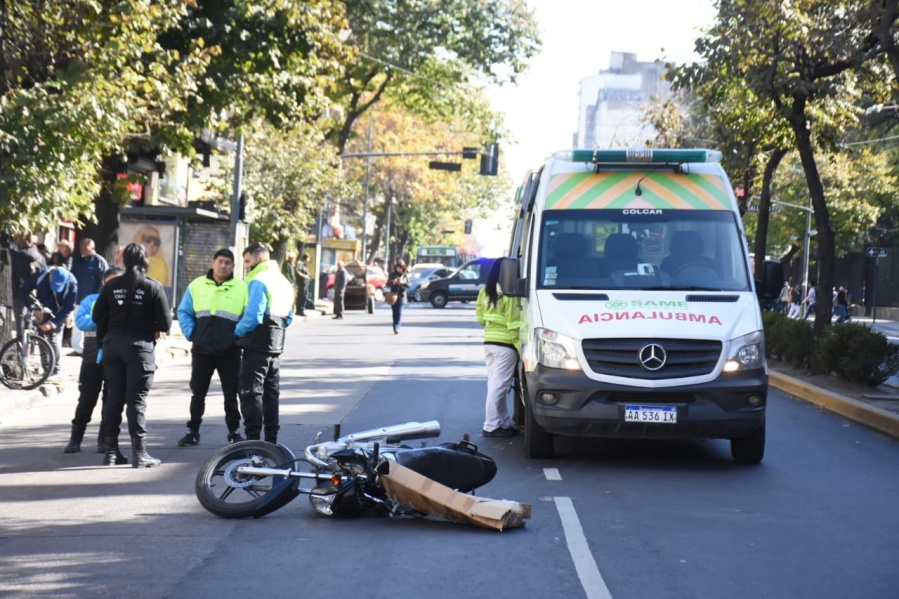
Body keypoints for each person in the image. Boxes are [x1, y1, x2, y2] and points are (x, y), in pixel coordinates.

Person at [93, 243, 172, 468]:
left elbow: (98, 315)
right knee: (136, 401)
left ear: (123, 261)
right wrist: (152, 325)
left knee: (113, 400)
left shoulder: (111, 286)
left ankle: (110, 452)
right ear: (146, 260)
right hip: (139, 347)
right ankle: (140, 453)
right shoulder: (152, 287)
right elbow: (165, 323)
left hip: (113, 346)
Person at [176, 248, 249, 446]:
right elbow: (183, 312)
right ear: (213, 262)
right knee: (198, 393)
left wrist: (237, 337)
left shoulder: (243, 288)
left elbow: (247, 316)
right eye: (220, 261)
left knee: (231, 394)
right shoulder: (197, 285)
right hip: (202, 350)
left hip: (230, 352)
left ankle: (234, 432)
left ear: (233, 266)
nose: (223, 265)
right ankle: (193, 431)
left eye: (228, 263)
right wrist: (192, 333)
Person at [235, 242, 295, 443]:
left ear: (260, 259)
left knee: (251, 392)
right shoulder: (284, 282)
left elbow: (253, 317)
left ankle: (252, 440)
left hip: (257, 343)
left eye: (247, 261)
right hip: (276, 344)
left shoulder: (259, 280)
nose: (246, 266)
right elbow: (290, 317)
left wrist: (236, 332)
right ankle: (271, 441)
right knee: (271, 394)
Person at [63, 268, 124, 455]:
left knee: (111, 402)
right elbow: (81, 322)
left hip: (115, 359)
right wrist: (105, 318)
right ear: (104, 283)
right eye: (111, 281)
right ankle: (75, 439)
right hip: (91, 359)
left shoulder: (124, 303)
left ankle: (104, 441)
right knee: (87, 399)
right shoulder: (91, 300)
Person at [475, 258, 522, 437]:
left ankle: (504, 422)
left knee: (496, 384)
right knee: (499, 386)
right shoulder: (509, 294)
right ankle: (491, 425)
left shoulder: (485, 291)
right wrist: (520, 348)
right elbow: (513, 323)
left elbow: (480, 318)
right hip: (506, 345)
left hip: (489, 343)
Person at [20, 265, 78, 376]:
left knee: (54, 339)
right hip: (42, 309)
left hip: (59, 312)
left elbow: (69, 306)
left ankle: (55, 370)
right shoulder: (41, 274)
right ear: (51, 275)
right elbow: (24, 290)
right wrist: (34, 308)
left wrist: (53, 323)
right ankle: (46, 370)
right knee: (41, 337)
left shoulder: (72, 282)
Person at [70, 237, 109, 355]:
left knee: (91, 324)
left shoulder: (99, 261)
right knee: (77, 324)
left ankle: (92, 348)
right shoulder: (77, 261)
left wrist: (99, 298)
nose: (83, 249)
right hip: (78, 298)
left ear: (93, 248)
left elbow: (104, 281)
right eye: (81, 247)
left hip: (92, 300)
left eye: (86, 247)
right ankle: (78, 349)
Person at [10, 235, 46, 339]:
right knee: (36, 318)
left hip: (19, 292)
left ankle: (21, 348)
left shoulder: (15, 256)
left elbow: (12, 273)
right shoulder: (40, 257)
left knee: (20, 321)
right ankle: (35, 341)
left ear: (21, 242)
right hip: (36, 293)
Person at [386, 260, 409, 334]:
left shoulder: (405, 275)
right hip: (393, 296)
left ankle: (397, 327)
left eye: (401, 267)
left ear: (403, 268)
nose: (399, 269)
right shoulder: (392, 275)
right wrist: (393, 282)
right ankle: (394, 327)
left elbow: (409, 285)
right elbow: (388, 284)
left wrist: (403, 283)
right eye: (398, 267)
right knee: (394, 313)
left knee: (399, 313)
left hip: (401, 296)